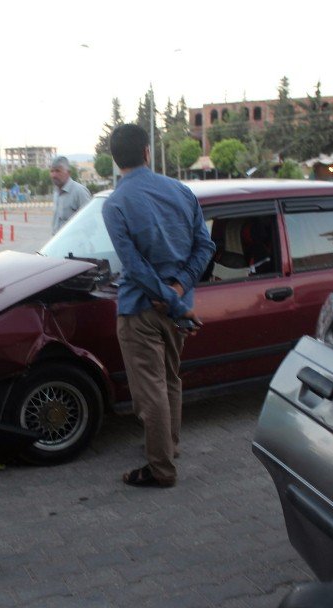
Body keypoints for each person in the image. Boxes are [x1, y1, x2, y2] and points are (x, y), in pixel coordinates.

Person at [101, 124, 215, 488]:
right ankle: (170, 446)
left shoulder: (116, 203)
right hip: (178, 308)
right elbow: (205, 247)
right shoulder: (181, 191)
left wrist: (171, 299)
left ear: (114, 159)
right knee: (170, 380)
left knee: (151, 392)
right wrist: (180, 290)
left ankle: (160, 469)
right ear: (148, 152)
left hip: (141, 311)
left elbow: (134, 266)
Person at [50, 155, 91, 234]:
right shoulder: (56, 192)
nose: (54, 175)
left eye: (58, 171)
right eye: (52, 171)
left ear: (68, 173)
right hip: (59, 243)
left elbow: (89, 222)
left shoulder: (79, 192)